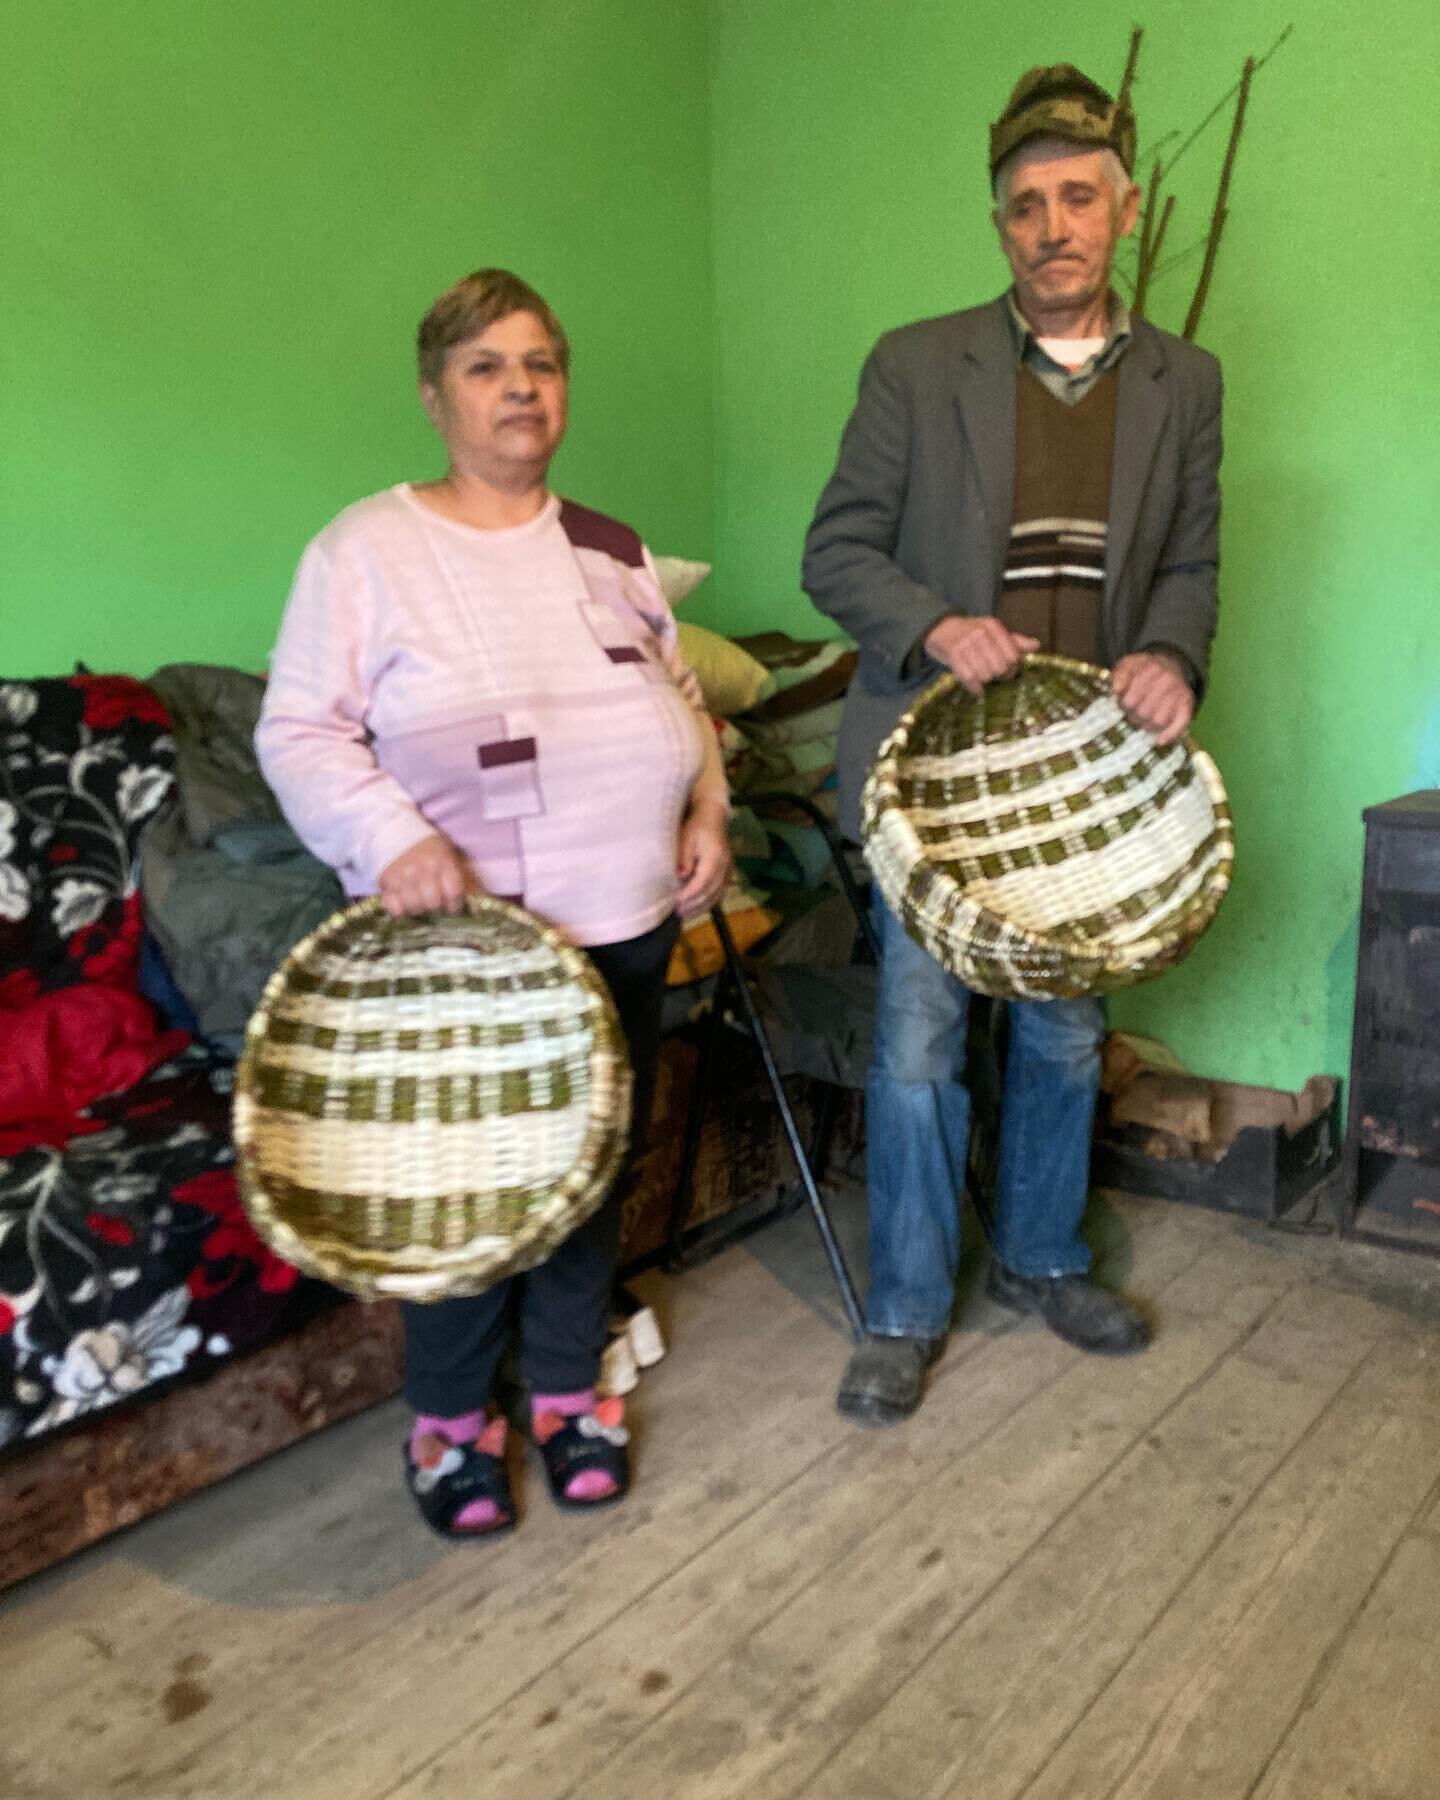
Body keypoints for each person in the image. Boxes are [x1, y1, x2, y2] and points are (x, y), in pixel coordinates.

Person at [257, 268, 730, 1532]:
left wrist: (709, 810)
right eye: (485, 365)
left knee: (586, 1173)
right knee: (463, 1187)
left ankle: (570, 1393)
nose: (521, 387)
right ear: (434, 397)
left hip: (624, 921)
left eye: (541, 362)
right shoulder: (368, 550)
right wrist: (390, 833)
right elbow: (299, 730)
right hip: (465, 956)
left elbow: (680, 703)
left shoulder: (611, 547)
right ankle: (451, 1426)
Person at [802, 65, 1222, 1426]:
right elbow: (836, 552)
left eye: (1079, 198)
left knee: (1061, 1034)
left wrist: (1170, 653)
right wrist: (931, 625)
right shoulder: (917, 364)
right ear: (1001, 227)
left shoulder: (1185, 382)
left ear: (1125, 210)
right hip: (931, 771)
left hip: (1082, 783)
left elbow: (1194, 561)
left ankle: (1045, 1257)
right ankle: (908, 1307)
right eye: (1028, 204)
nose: (1054, 225)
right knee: (920, 1039)